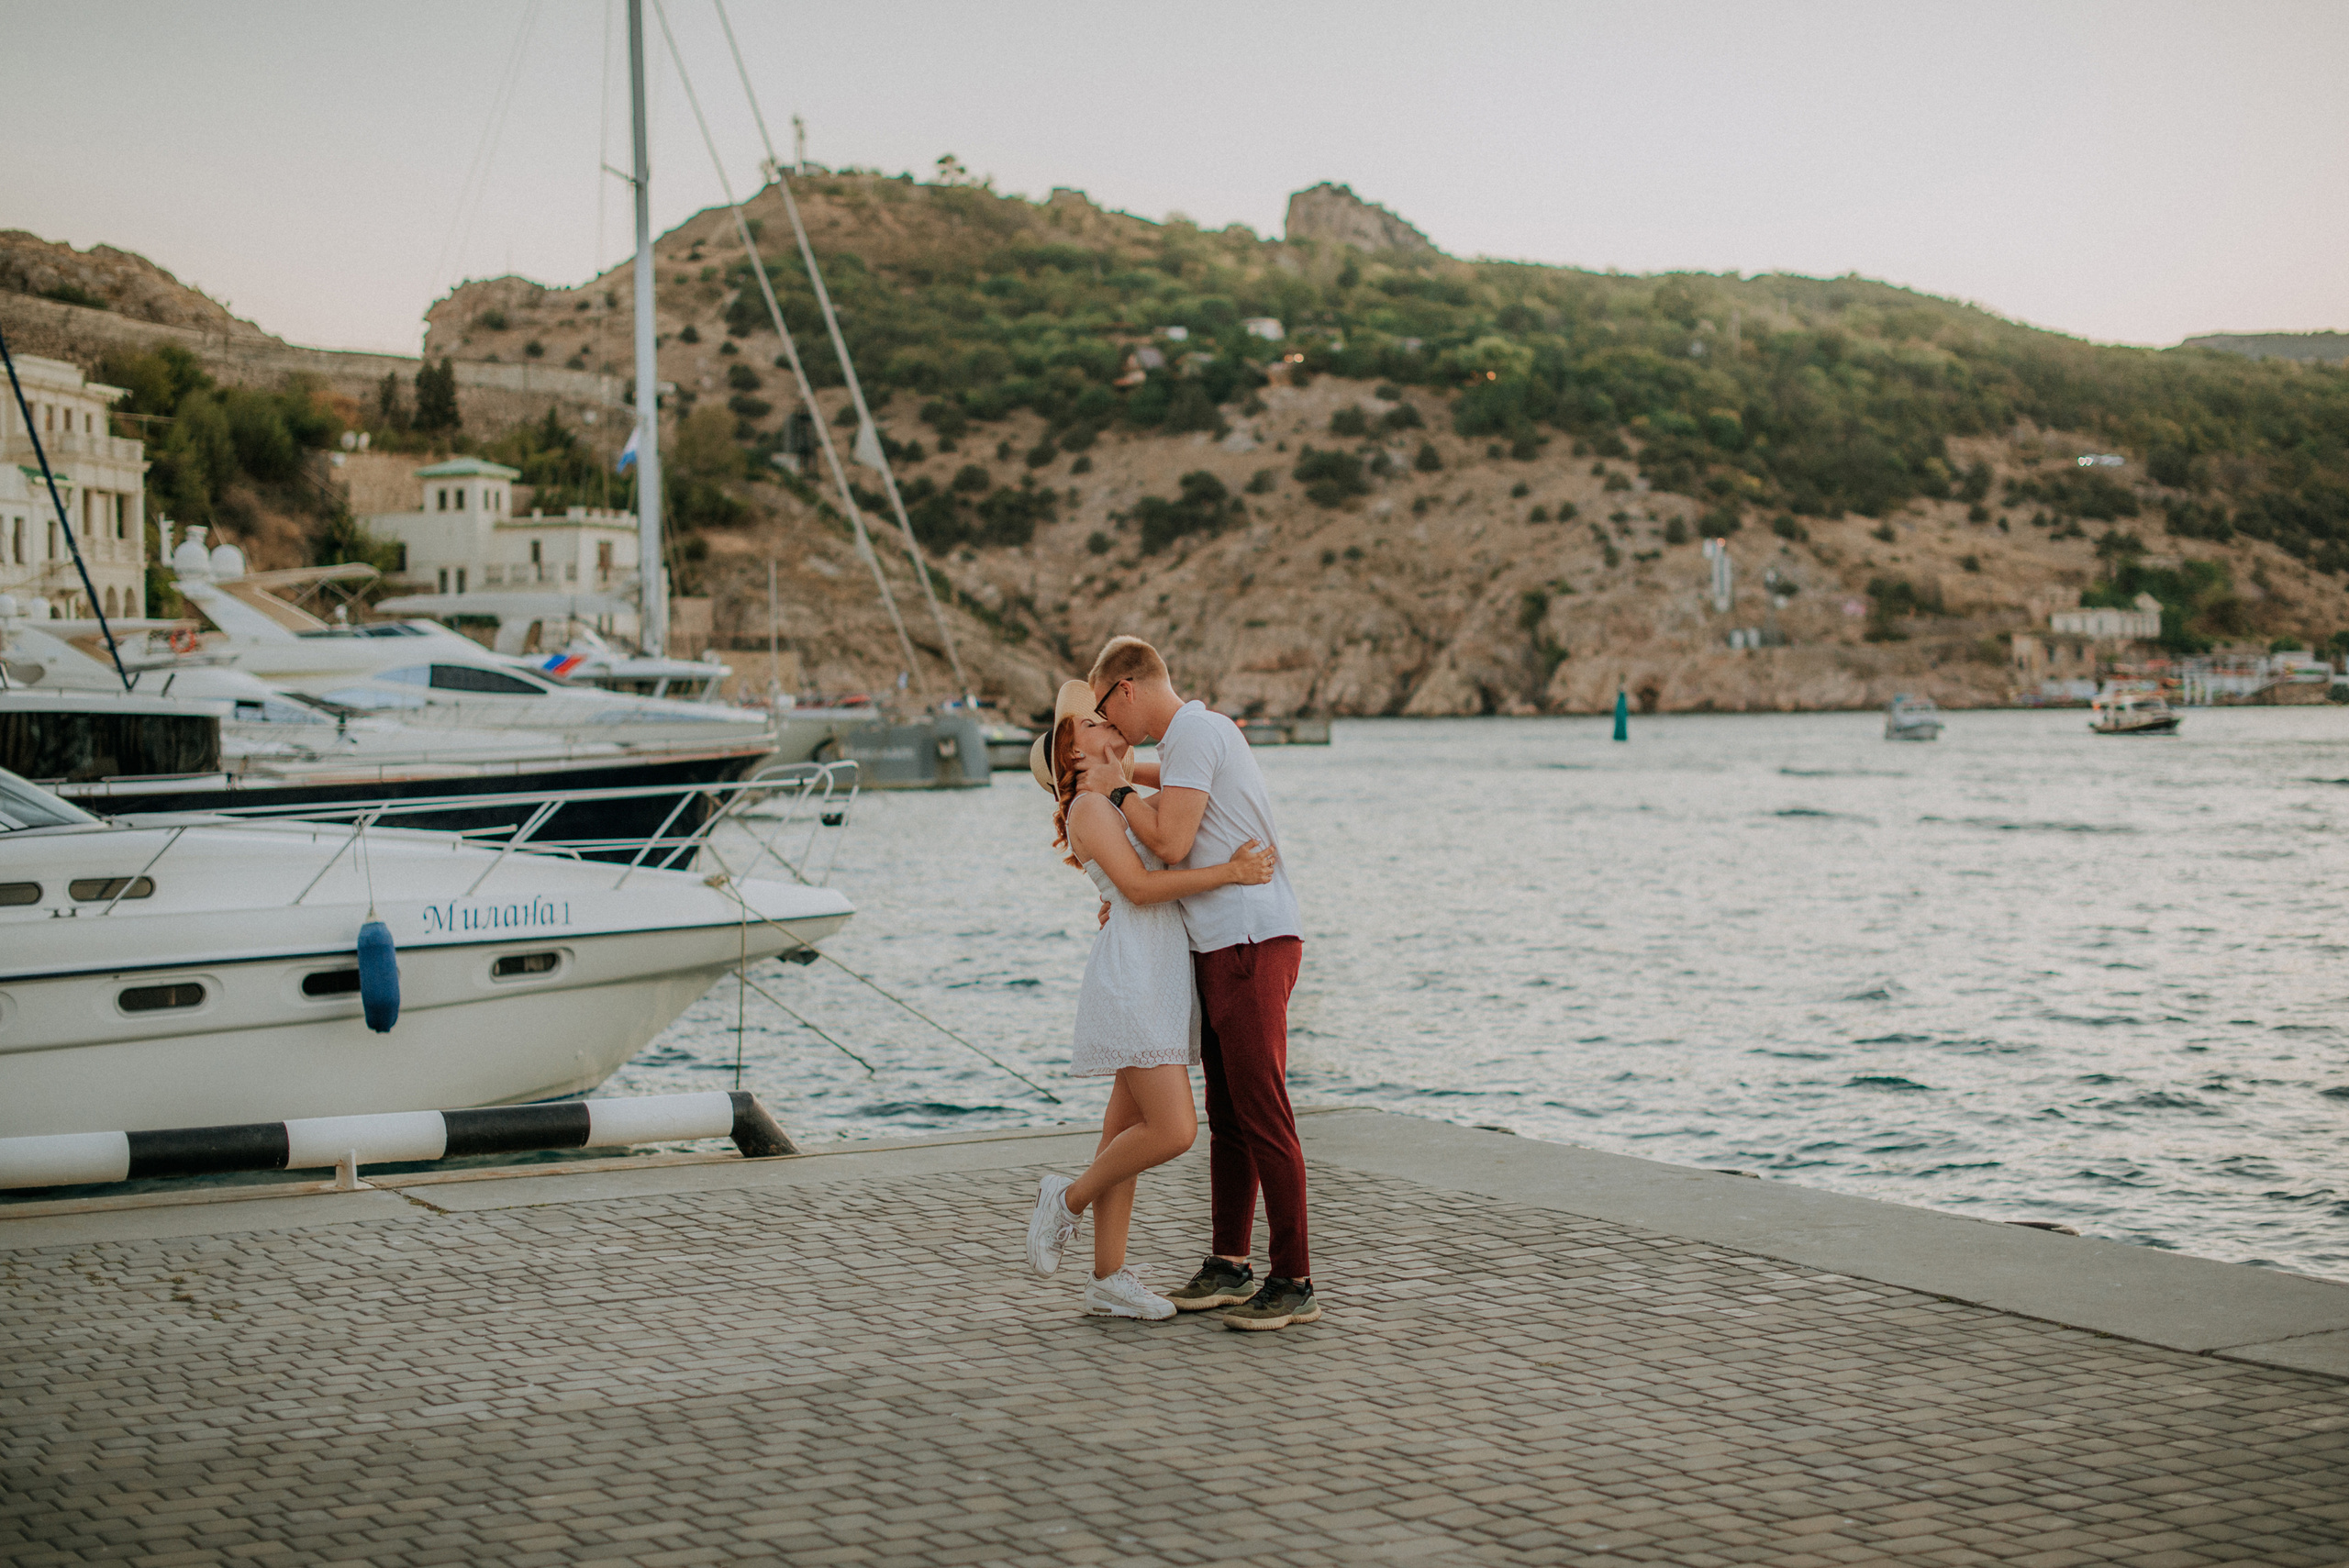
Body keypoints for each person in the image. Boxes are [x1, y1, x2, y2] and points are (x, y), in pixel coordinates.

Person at [1021, 679, 1277, 1319]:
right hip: (1133, 977)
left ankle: (1107, 1279)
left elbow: (1188, 787)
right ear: (1071, 754)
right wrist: (1232, 872)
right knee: (1174, 1129)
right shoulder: (1088, 808)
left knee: (1122, 1137)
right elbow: (1137, 887)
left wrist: (1126, 772)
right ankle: (1067, 1199)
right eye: (1089, 725)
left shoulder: (1115, 795)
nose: (1104, 723)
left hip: (1158, 971)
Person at [1083, 636, 1318, 1331]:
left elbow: (1172, 842)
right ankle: (1229, 1263)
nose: (1108, 722)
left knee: (1262, 1110)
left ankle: (1294, 1279)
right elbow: (1165, 788)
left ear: (1126, 688)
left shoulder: (1194, 731)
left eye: (1105, 709)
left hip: (1250, 940)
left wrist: (1117, 790)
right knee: (1230, 1115)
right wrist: (1113, 773)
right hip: (1220, 945)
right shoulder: (1192, 738)